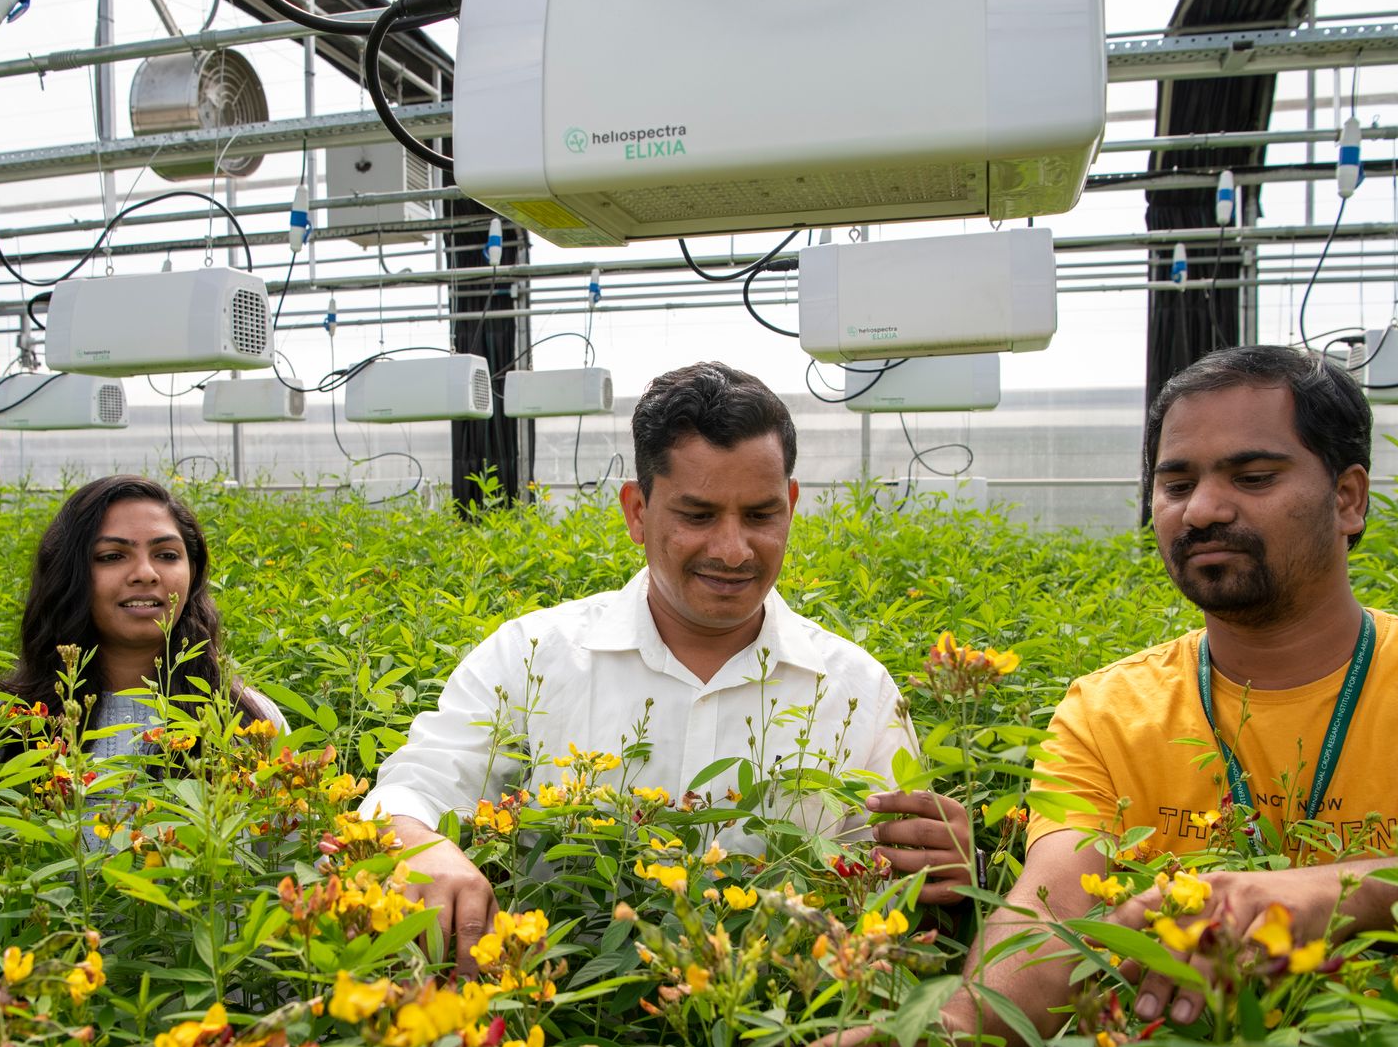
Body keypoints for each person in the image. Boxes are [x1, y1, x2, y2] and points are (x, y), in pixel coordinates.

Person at [786, 344, 1398, 1047]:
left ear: (1349, 498)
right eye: (1176, 482)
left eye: (1253, 478)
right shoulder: (1106, 711)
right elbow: (1055, 906)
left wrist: (1331, 894)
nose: (1203, 509)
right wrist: (963, 1034)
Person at [363, 361, 974, 966]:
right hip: (567, 1015)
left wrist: (945, 875)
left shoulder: (855, 691)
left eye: (760, 515)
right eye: (698, 515)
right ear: (637, 511)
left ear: (790, 504)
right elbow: (416, 785)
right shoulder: (529, 658)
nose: (733, 550)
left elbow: (896, 894)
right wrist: (414, 839)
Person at [0, 474, 286, 759]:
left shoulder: (249, 723)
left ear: (192, 572)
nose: (145, 574)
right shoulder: (2, 723)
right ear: (67, 574)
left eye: (167, 555)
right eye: (112, 556)